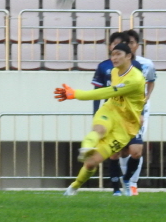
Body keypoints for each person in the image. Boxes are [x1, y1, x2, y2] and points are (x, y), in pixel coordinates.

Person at [56, 42, 146, 196]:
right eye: (112, 54)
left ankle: (75, 185)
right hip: (110, 110)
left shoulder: (135, 79)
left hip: (125, 127)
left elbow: (105, 92)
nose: (114, 57)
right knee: (99, 129)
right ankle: (85, 148)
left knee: (91, 163)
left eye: (118, 54)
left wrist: (75, 94)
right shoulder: (115, 71)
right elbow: (109, 96)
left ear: (129, 56)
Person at [90, 31, 145, 195]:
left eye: (120, 46)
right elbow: (97, 92)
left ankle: (127, 179)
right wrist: (96, 117)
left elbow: (139, 95)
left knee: (136, 151)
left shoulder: (136, 68)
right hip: (112, 115)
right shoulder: (104, 67)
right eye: (113, 44)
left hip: (130, 116)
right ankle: (116, 189)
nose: (115, 49)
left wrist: (140, 113)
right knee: (114, 153)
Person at [118, 29, 157, 196]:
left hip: (138, 111)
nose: (129, 46)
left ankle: (132, 183)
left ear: (137, 45)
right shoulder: (115, 63)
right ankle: (125, 182)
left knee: (136, 147)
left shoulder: (146, 64)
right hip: (119, 109)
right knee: (122, 148)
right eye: (125, 43)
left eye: (131, 43)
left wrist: (146, 99)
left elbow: (151, 81)